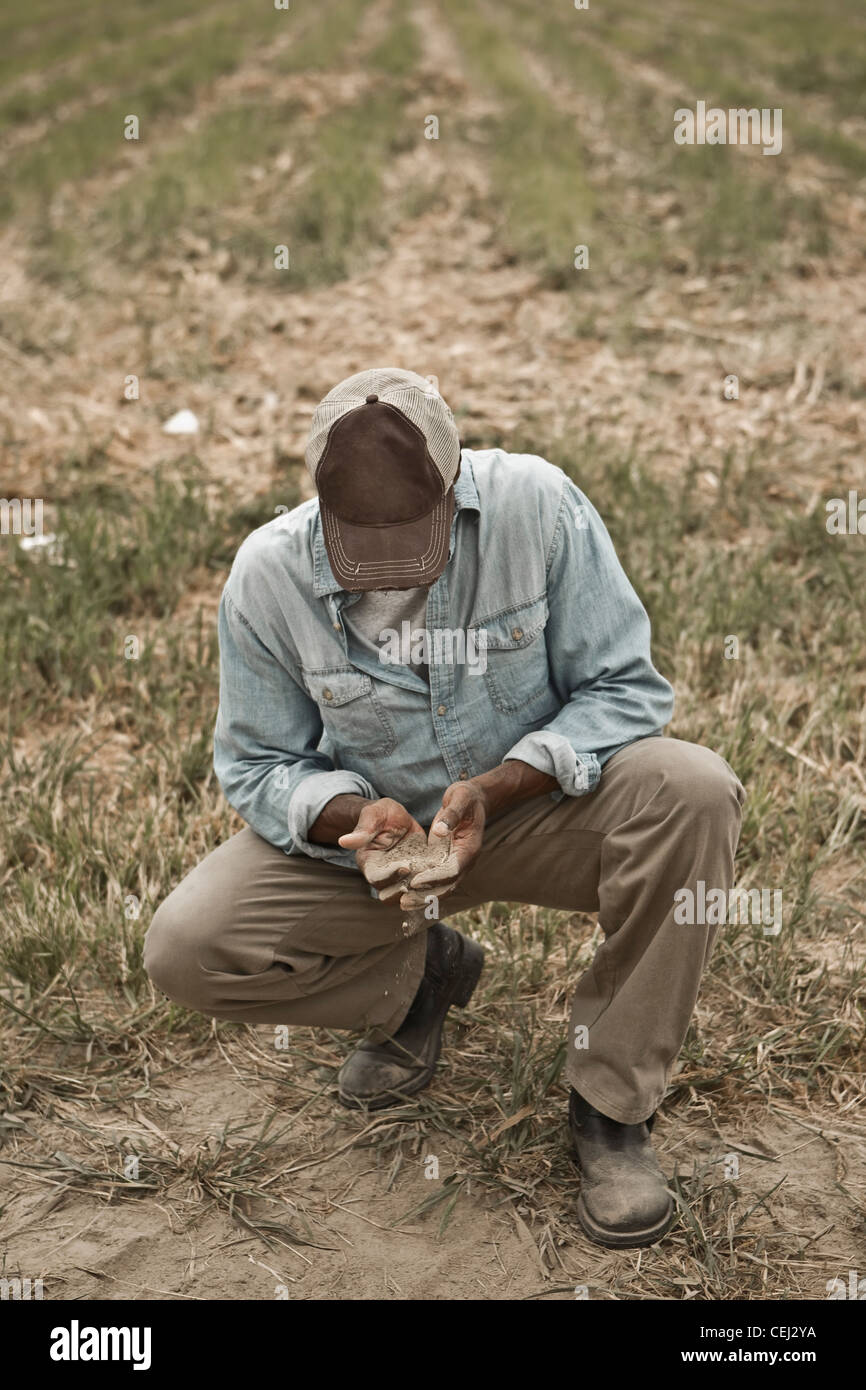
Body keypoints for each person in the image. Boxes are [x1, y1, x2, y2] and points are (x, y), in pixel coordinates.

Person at [144, 366, 744, 1249]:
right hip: (384, 859)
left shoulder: (538, 506)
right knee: (188, 948)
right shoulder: (267, 574)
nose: (387, 568)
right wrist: (349, 816)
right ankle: (422, 980)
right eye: (359, 539)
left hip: (531, 808)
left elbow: (623, 690)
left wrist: (499, 788)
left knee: (695, 792)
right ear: (316, 501)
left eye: (411, 538)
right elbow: (258, 762)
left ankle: (613, 1106)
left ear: (456, 478)